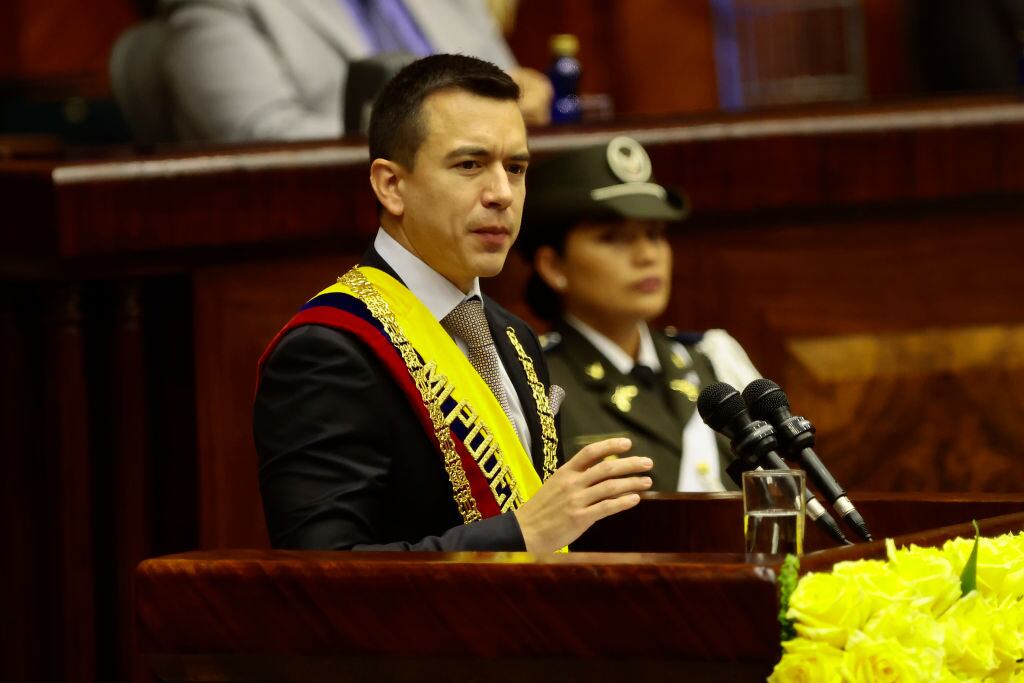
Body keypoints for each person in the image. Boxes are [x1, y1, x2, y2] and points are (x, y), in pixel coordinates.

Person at [253, 54, 652, 552]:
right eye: (470, 165)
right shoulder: (329, 349)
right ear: (391, 185)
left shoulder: (514, 336)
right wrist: (520, 534)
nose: (503, 194)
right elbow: (320, 575)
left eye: (517, 167)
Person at [517, 137, 760, 493]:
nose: (647, 255)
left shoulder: (710, 361)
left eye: (655, 234)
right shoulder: (534, 382)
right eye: (614, 238)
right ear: (553, 266)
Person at [158, 0, 553, 142]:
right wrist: (439, 125)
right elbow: (260, 137)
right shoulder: (218, 6)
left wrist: (520, 94)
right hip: (330, 247)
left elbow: (500, 83)